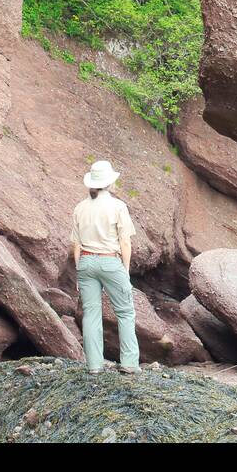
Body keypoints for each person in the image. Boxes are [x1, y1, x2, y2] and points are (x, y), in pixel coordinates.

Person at [71, 159, 140, 375]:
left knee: (90, 314)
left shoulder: (79, 208)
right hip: (110, 261)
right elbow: (125, 242)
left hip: (86, 262)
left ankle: (94, 366)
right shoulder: (118, 206)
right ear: (109, 183)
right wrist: (125, 271)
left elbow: (76, 244)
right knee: (125, 312)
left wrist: (79, 271)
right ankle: (129, 363)